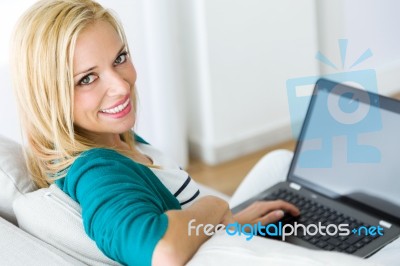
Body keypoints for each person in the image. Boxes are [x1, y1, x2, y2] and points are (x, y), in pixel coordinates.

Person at [11, 0, 299, 265]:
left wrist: (229, 223)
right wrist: (216, 208)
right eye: (87, 78)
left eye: (119, 58)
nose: (122, 86)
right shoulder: (97, 170)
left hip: (220, 235)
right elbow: (162, 251)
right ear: (49, 97)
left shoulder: (117, 139)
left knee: (282, 166)